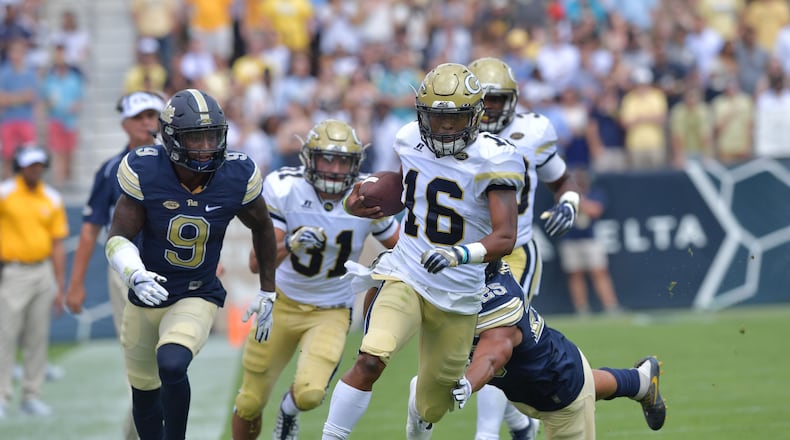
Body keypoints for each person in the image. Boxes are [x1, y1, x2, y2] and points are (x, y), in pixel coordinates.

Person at [321, 62, 526, 440]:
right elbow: (401, 192)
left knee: (434, 404)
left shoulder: (496, 157)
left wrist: (457, 255)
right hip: (408, 272)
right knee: (370, 358)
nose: (445, 128)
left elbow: (505, 237)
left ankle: (419, 416)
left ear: (476, 115)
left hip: (459, 292)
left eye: (455, 119)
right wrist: (359, 202)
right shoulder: (408, 139)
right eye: (436, 117)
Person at [103, 88, 277, 440]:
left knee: (172, 362)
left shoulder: (236, 174)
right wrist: (133, 273)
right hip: (147, 294)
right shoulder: (146, 169)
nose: (206, 146)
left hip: (196, 292)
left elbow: (263, 226)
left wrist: (268, 290)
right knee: (144, 390)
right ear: (171, 138)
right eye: (195, 138)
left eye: (212, 135)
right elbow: (117, 235)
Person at [232, 119, 400, 440]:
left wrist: (387, 265)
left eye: (343, 161)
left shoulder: (365, 194)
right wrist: (291, 243)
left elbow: (403, 245)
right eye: (327, 158)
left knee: (310, 394)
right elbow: (257, 264)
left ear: (356, 164)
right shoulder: (284, 187)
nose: (335, 169)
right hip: (281, 304)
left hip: (331, 310)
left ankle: (288, 410)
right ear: (309, 159)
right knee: (249, 401)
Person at [468, 56, 582, 440]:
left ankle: (488, 434)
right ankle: (519, 422)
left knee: (493, 336)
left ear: (513, 99)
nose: (491, 109)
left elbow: (562, 180)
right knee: (465, 344)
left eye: (498, 100)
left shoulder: (533, 131)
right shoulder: (451, 134)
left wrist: (570, 203)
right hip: (465, 254)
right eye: (484, 100)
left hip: (512, 251)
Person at [444, 259, 667, 438]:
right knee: (585, 383)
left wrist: (468, 383)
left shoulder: (497, 306)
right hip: (549, 371)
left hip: (559, 399)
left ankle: (640, 382)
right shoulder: (483, 282)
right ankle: (641, 381)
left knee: (580, 389)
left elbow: (492, 356)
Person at [65, 90, 164, 439]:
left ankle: (138, 430)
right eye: (139, 117)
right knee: (139, 358)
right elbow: (90, 230)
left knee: (170, 360)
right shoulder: (110, 170)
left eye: (152, 116)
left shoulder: (173, 165)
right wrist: (75, 283)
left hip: (172, 270)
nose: (147, 123)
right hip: (126, 275)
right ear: (124, 123)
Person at [0, 145, 68, 418]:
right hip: (13, 271)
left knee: (38, 337)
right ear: (20, 167)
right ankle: (2, 397)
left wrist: (60, 284)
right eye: (30, 165)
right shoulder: (5, 193)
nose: (35, 169)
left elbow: (58, 243)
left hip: (43, 271)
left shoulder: (51, 198)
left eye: (39, 165)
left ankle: (31, 395)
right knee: (5, 336)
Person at [558, 168, 623, 316]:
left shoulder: (595, 193)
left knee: (599, 272)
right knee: (575, 274)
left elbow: (596, 210)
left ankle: (610, 306)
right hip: (570, 239)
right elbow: (559, 215)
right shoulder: (562, 196)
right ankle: (582, 309)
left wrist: (578, 201)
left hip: (590, 239)